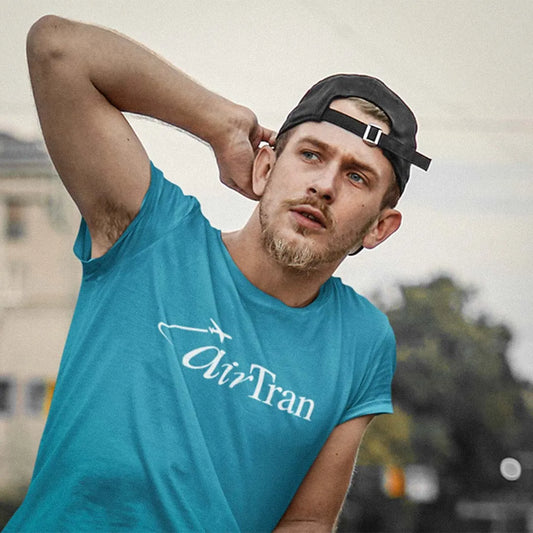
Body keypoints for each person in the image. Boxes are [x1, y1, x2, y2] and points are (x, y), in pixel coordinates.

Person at [6, 14, 430, 533]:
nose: (324, 185)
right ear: (266, 167)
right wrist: (217, 122)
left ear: (380, 227)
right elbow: (56, 48)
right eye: (310, 155)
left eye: (357, 176)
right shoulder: (150, 235)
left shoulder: (361, 338)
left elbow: (308, 520)